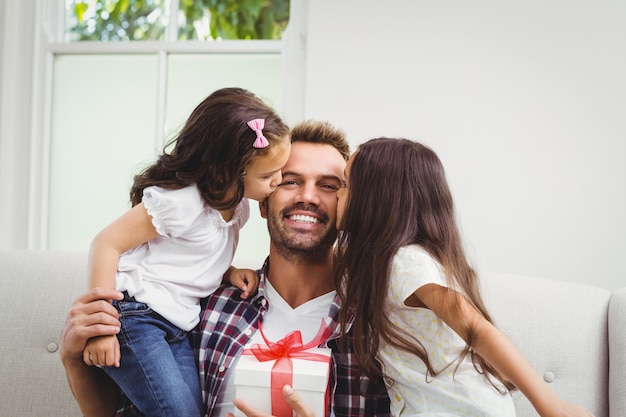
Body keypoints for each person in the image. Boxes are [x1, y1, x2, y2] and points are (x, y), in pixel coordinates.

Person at [60, 120, 392, 417]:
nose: (308, 196)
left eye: (329, 185)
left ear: (350, 204)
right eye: (289, 182)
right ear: (261, 200)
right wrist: (75, 362)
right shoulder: (201, 306)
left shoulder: (377, 319)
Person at [334, 137, 595, 417]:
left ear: (376, 199)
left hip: (465, 409)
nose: (336, 194)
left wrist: (550, 405)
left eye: (346, 184)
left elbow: (477, 330)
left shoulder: (405, 263)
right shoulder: (365, 263)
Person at [81, 87, 291, 417]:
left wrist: (228, 271)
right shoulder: (180, 202)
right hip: (135, 317)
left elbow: (190, 254)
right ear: (225, 171)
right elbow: (106, 243)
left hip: (178, 325)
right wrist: (101, 329)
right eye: (268, 175)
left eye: (281, 171)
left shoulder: (238, 208)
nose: (278, 181)